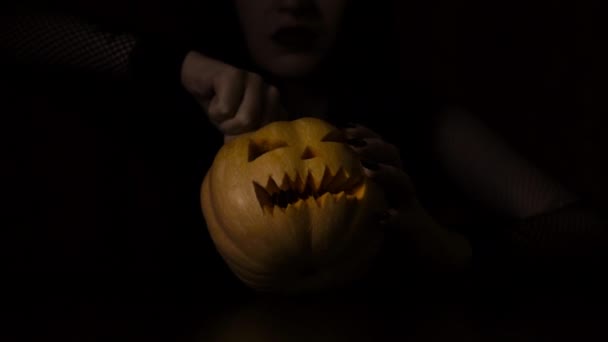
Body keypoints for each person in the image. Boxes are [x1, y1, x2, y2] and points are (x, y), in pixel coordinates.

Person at [3, 0, 607, 296]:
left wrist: (452, 249)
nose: (294, 1)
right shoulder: (169, 110)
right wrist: (173, 65)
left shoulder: (417, 121)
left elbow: (591, 229)